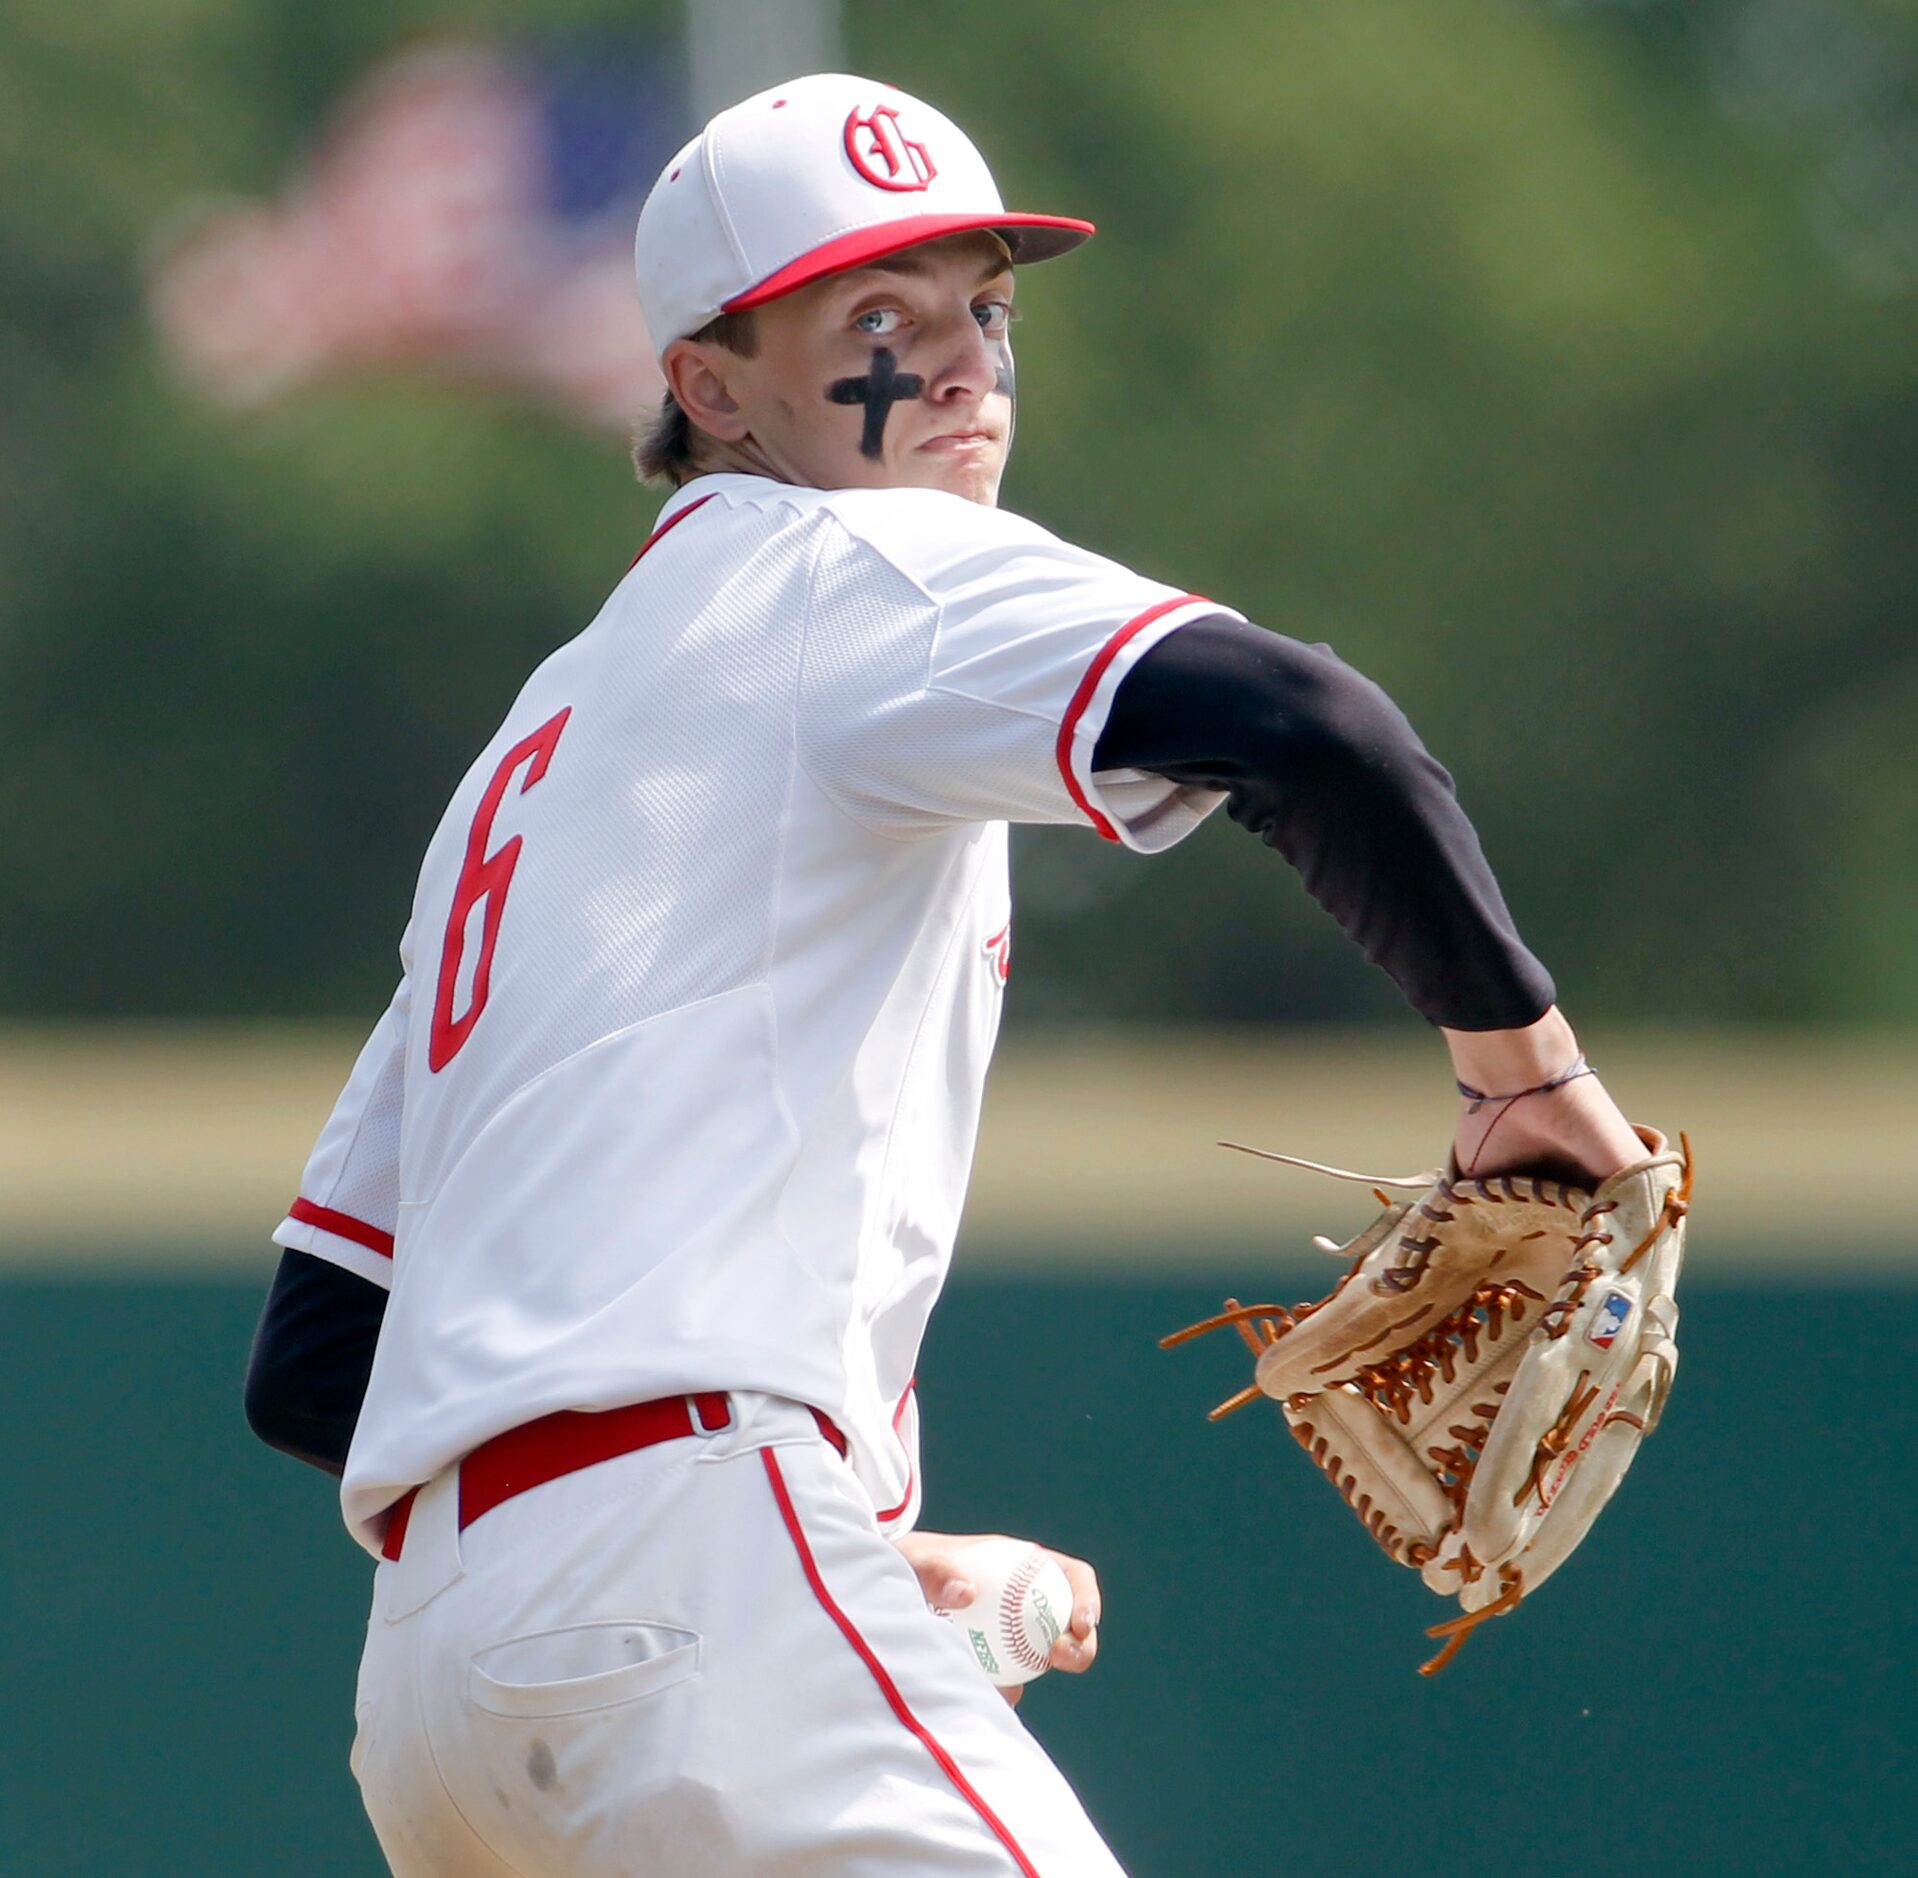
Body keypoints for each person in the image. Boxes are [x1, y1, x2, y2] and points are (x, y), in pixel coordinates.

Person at [246, 73, 1648, 1876]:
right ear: (708, 383)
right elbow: (1312, 728)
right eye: (877, 318)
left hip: (441, 1695)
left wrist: (772, 1549)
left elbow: (318, 1357)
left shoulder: (538, 751)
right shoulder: (858, 565)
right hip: (686, 1589)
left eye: (984, 305)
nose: (965, 359)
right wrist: (1519, 1075)